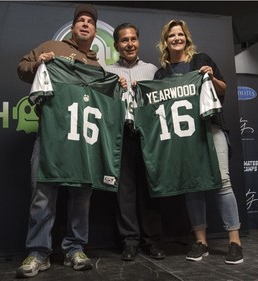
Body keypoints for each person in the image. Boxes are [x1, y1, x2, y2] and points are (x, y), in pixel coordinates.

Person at [16, 4, 99, 278]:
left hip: (83, 138)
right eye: (80, 21)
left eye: (90, 21)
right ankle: (39, 252)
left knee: (81, 194)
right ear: (73, 27)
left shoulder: (96, 65)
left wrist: (117, 86)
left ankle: (74, 248)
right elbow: (22, 68)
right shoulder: (52, 46)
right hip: (52, 133)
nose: (85, 24)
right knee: (43, 193)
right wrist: (40, 62)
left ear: (95, 31)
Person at [154, 19, 243, 265]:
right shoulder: (162, 73)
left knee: (223, 182)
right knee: (193, 186)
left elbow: (223, 89)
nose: (176, 38)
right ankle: (201, 241)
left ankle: (234, 242)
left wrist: (211, 77)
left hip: (211, 128)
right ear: (165, 41)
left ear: (186, 38)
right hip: (184, 136)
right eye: (171, 35)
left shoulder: (201, 59)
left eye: (180, 34)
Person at [105, 23, 165, 261]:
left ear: (138, 42)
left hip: (149, 137)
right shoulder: (106, 70)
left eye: (133, 39)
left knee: (151, 190)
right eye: (124, 40)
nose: (129, 44)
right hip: (122, 137)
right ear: (116, 45)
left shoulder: (153, 70)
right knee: (124, 192)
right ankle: (129, 242)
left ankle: (153, 241)